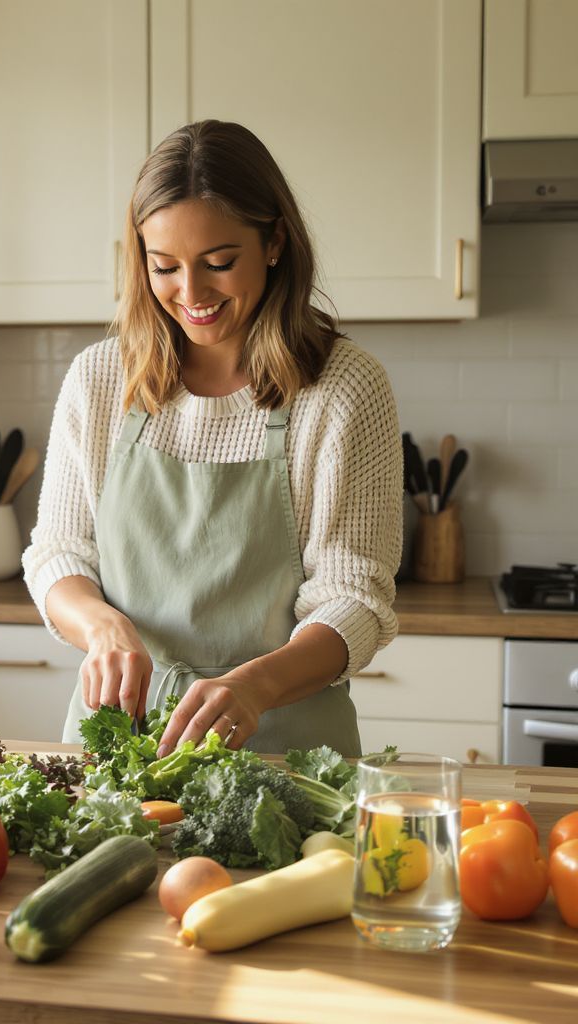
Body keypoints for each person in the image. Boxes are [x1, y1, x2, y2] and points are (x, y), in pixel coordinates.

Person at [22, 120, 401, 759]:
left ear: (275, 241)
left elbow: (355, 599)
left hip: (286, 753)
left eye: (219, 264)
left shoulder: (342, 387)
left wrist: (253, 686)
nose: (191, 294)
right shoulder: (100, 378)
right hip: (120, 747)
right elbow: (58, 553)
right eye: (164, 266)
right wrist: (102, 626)